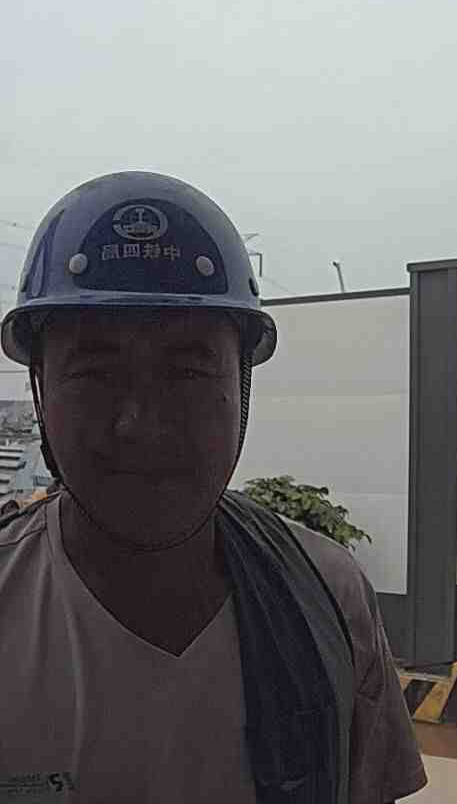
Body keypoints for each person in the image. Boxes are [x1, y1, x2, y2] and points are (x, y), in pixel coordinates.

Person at [0, 172, 427, 803]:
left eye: (187, 372)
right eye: (95, 373)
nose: (141, 424)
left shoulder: (329, 595)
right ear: (39, 390)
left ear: (243, 384)